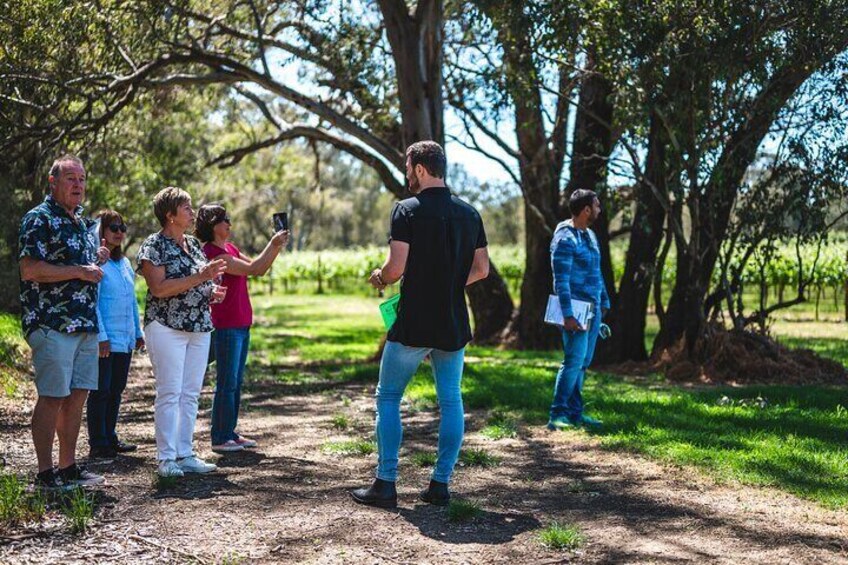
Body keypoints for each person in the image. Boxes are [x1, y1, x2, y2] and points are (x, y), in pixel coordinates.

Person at [351, 141, 490, 509]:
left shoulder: (406, 211)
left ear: (421, 169)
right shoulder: (470, 213)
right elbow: (481, 270)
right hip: (452, 321)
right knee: (451, 400)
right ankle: (440, 485)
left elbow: (395, 269)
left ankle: (386, 483)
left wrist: (380, 277)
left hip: (413, 321)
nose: (407, 173)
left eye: (409, 167)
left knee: (389, 397)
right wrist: (447, 282)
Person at [18, 154, 110, 489]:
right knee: (52, 396)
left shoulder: (82, 223)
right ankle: (45, 474)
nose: (78, 185)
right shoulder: (39, 219)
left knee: (77, 397)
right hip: (51, 323)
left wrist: (93, 260)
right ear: (52, 181)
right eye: (70, 178)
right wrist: (79, 270)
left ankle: (68, 467)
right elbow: (30, 269)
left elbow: (82, 269)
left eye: (82, 179)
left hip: (83, 324)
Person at [137, 187, 227, 478]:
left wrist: (210, 291)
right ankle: (166, 460)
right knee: (170, 392)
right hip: (166, 326)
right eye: (186, 208)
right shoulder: (154, 245)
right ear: (169, 214)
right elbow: (159, 288)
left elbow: (196, 281)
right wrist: (201, 277)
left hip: (199, 327)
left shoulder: (193, 244)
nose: (192, 212)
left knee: (190, 393)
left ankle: (185, 453)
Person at [194, 204, 289, 453]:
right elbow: (254, 268)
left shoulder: (231, 249)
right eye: (224, 219)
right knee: (227, 382)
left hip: (241, 323)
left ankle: (229, 432)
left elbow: (260, 268)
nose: (230, 223)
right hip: (225, 325)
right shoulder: (215, 254)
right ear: (212, 224)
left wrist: (276, 246)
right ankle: (220, 435)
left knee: (235, 381)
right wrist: (275, 243)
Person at [546, 189, 610, 431]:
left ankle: (575, 414)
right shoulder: (565, 239)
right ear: (586, 210)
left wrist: (604, 302)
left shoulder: (590, 236)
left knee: (582, 363)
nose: (599, 209)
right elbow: (560, 280)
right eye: (596, 205)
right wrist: (568, 315)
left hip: (593, 310)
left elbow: (597, 272)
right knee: (572, 362)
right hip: (575, 312)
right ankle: (557, 414)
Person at [87, 210, 144, 460]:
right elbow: (94, 302)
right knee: (101, 390)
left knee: (117, 389)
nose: (119, 232)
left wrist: (138, 332)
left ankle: (110, 437)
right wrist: (101, 335)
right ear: (101, 231)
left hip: (125, 338)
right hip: (105, 339)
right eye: (113, 227)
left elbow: (131, 301)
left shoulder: (124, 264)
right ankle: (98, 443)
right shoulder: (96, 264)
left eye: (122, 227)